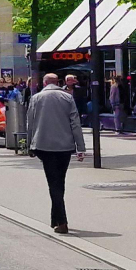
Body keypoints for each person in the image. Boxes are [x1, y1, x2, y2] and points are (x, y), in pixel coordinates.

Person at [27, 73, 86, 234]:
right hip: (65, 146)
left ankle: (61, 221)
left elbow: (30, 123)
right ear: (58, 82)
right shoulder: (67, 98)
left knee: (53, 183)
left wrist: (29, 145)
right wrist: (81, 147)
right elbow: (75, 123)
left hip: (43, 145)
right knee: (59, 182)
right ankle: (57, 219)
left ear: (45, 83)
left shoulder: (36, 98)